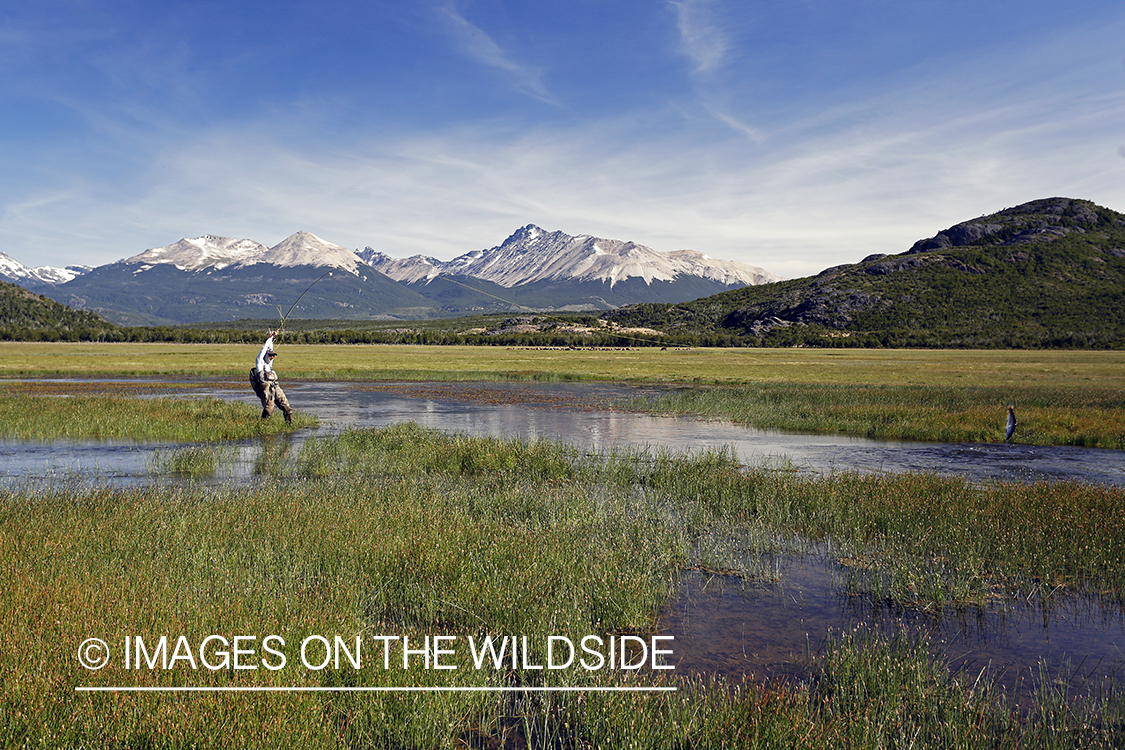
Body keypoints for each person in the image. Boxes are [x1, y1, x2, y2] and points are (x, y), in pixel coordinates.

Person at [250, 328, 293, 424]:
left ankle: (289, 425)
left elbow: (270, 349)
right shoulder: (259, 364)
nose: (272, 357)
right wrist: (270, 338)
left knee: (287, 407)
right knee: (269, 409)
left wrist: (272, 339)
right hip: (266, 389)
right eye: (270, 355)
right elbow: (263, 350)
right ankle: (262, 425)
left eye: (273, 355)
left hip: (275, 386)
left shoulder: (270, 365)